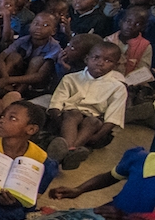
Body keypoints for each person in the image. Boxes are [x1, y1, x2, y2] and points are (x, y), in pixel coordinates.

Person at [51, 117, 155, 220]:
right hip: (110, 215)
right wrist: (79, 189)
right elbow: (112, 176)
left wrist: (127, 219)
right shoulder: (142, 158)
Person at [47, 42, 127, 170]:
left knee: (93, 121)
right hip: (66, 121)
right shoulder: (71, 78)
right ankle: (71, 153)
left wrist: (95, 137)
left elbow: (113, 118)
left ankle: (65, 152)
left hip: (94, 129)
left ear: (116, 65)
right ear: (86, 59)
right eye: (96, 58)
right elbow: (55, 105)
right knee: (72, 114)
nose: (100, 63)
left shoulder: (118, 88)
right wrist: (60, 123)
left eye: (108, 60)